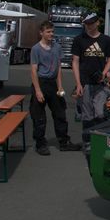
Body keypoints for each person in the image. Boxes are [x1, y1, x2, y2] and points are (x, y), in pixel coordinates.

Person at [30, 21, 81, 155]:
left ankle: (64, 142)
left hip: (53, 84)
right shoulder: (36, 49)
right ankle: (40, 143)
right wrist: (38, 91)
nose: (51, 34)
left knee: (60, 114)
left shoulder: (57, 47)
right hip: (41, 83)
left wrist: (60, 87)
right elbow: (34, 71)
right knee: (39, 116)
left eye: (52, 31)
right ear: (41, 33)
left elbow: (58, 68)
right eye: (48, 32)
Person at [71, 13, 110, 151]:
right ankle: (88, 143)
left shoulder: (106, 40)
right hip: (85, 83)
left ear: (97, 23)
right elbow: (75, 61)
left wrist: (103, 73)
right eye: (86, 23)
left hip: (100, 84)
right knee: (87, 115)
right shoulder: (79, 39)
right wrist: (78, 84)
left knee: (100, 113)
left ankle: (101, 141)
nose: (88, 26)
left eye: (91, 23)